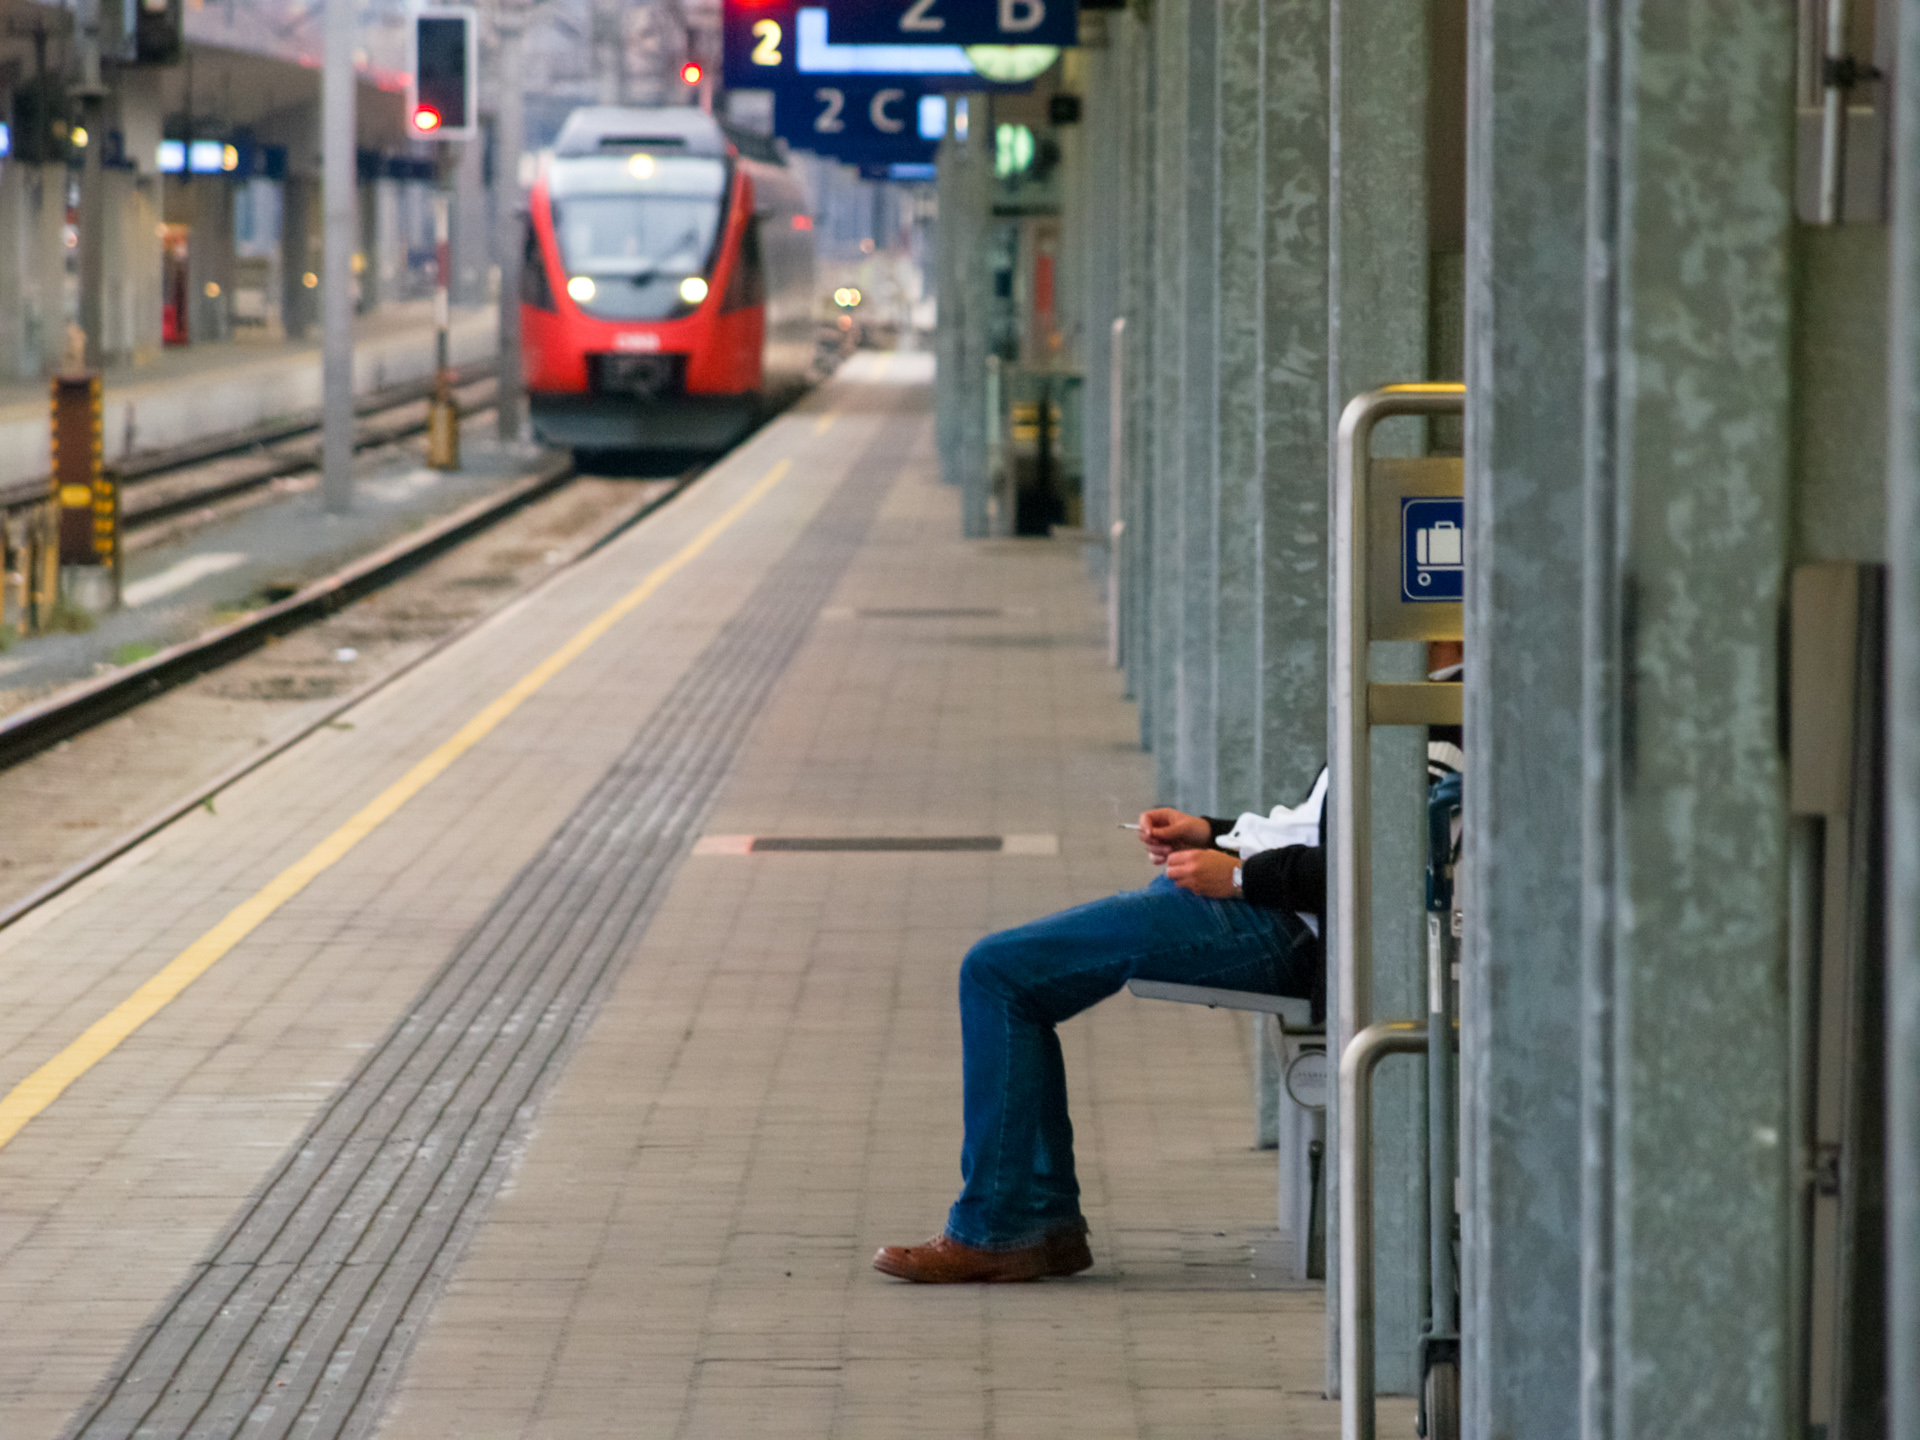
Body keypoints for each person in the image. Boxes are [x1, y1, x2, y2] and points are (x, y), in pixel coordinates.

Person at [873, 771, 1329, 1284]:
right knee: (1012, 980)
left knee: (996, 971)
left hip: (1282, 924)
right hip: (1266, 904)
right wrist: (1211, 833)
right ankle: (1042, 1223)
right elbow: (1315, 831)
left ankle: (999, 1228)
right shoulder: (1401, 702)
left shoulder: (1423, 726)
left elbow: (1377, 857)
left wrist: (1244, 877)